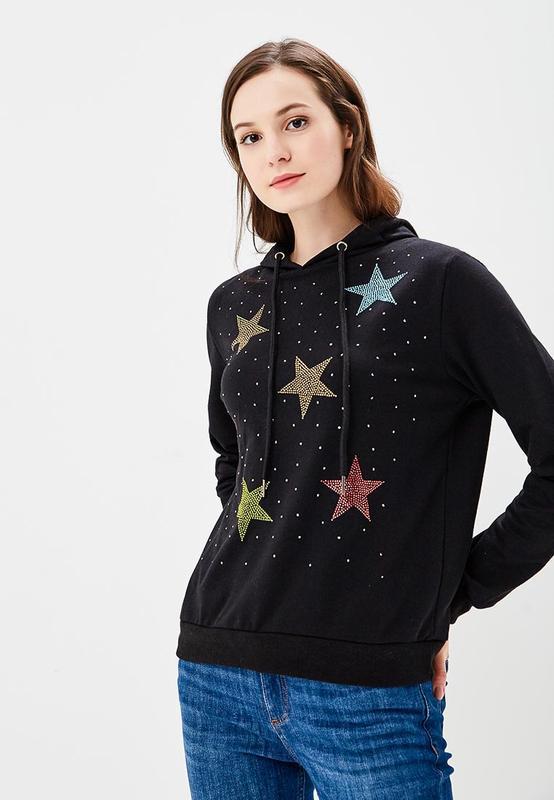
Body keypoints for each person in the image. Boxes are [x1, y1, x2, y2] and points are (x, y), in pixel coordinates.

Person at [175, 38, 554, 799]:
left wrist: (451, 592)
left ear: (347, 126)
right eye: (249, 137)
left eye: (295, 121)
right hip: (218, 673)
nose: (274, 151)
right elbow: (235, 465)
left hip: (370, 692)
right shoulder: (233, 304)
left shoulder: (441, 283)